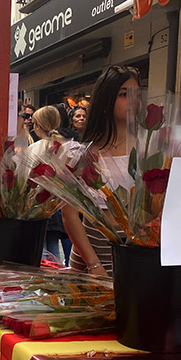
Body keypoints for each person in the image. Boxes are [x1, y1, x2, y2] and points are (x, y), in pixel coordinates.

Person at [63, 65, 140, 277]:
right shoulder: (81, 153)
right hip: (90, 255)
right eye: (124, 94)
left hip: (136, 253)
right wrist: (93, 264)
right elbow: (69, 214)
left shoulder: (150, 148)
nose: (133, 101)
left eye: (137, 94)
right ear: (106, 99)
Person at [27, 106, 72, 264]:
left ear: (38, 126)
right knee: (53, 245)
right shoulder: (68, 146)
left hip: (36, 204)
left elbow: (25, 178)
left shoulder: (33, 149)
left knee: (40, 249)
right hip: (59, 205)